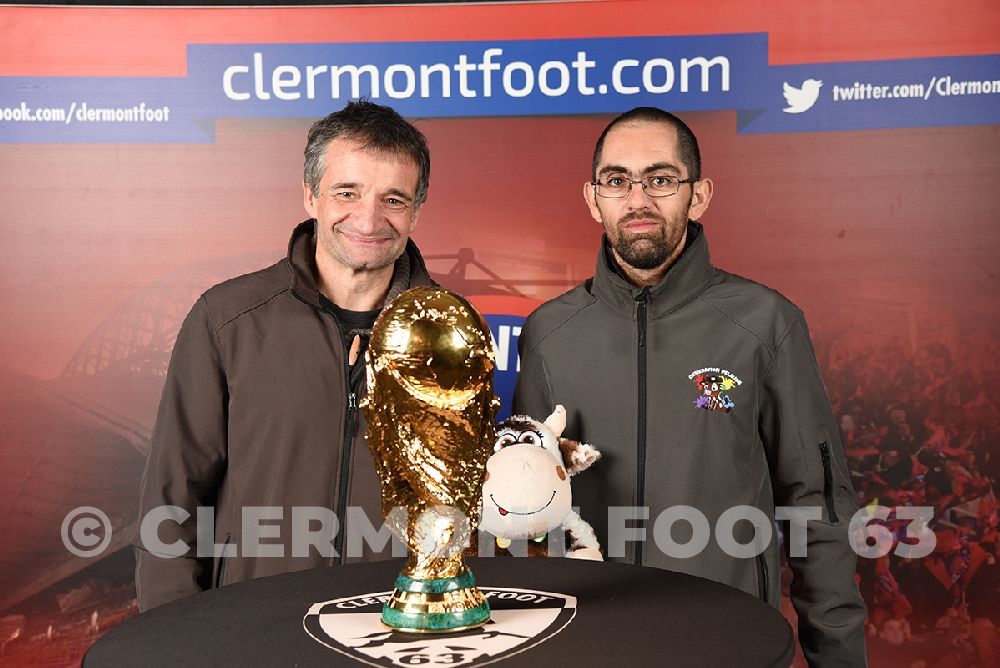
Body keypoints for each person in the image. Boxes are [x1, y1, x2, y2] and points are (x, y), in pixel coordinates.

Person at [513, 107, 868, 665]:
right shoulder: (548, 334)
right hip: (589, 647)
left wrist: (839, 657)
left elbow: (817, 505)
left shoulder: (765, 323)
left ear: (698, 195)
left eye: (660, 179)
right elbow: (527, 510)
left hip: (727, 643)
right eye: (617, 181)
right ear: (593, 199)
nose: (637, 200)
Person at [133, 101, 434, 611]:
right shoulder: (228, 320)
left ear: (416, 211)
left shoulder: (448, 332)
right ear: (310, 196)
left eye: (393, 199)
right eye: (347, 192)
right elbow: (173, 496)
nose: (369, 218)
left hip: (398, 629)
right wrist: (172, 636)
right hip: (253, 625)